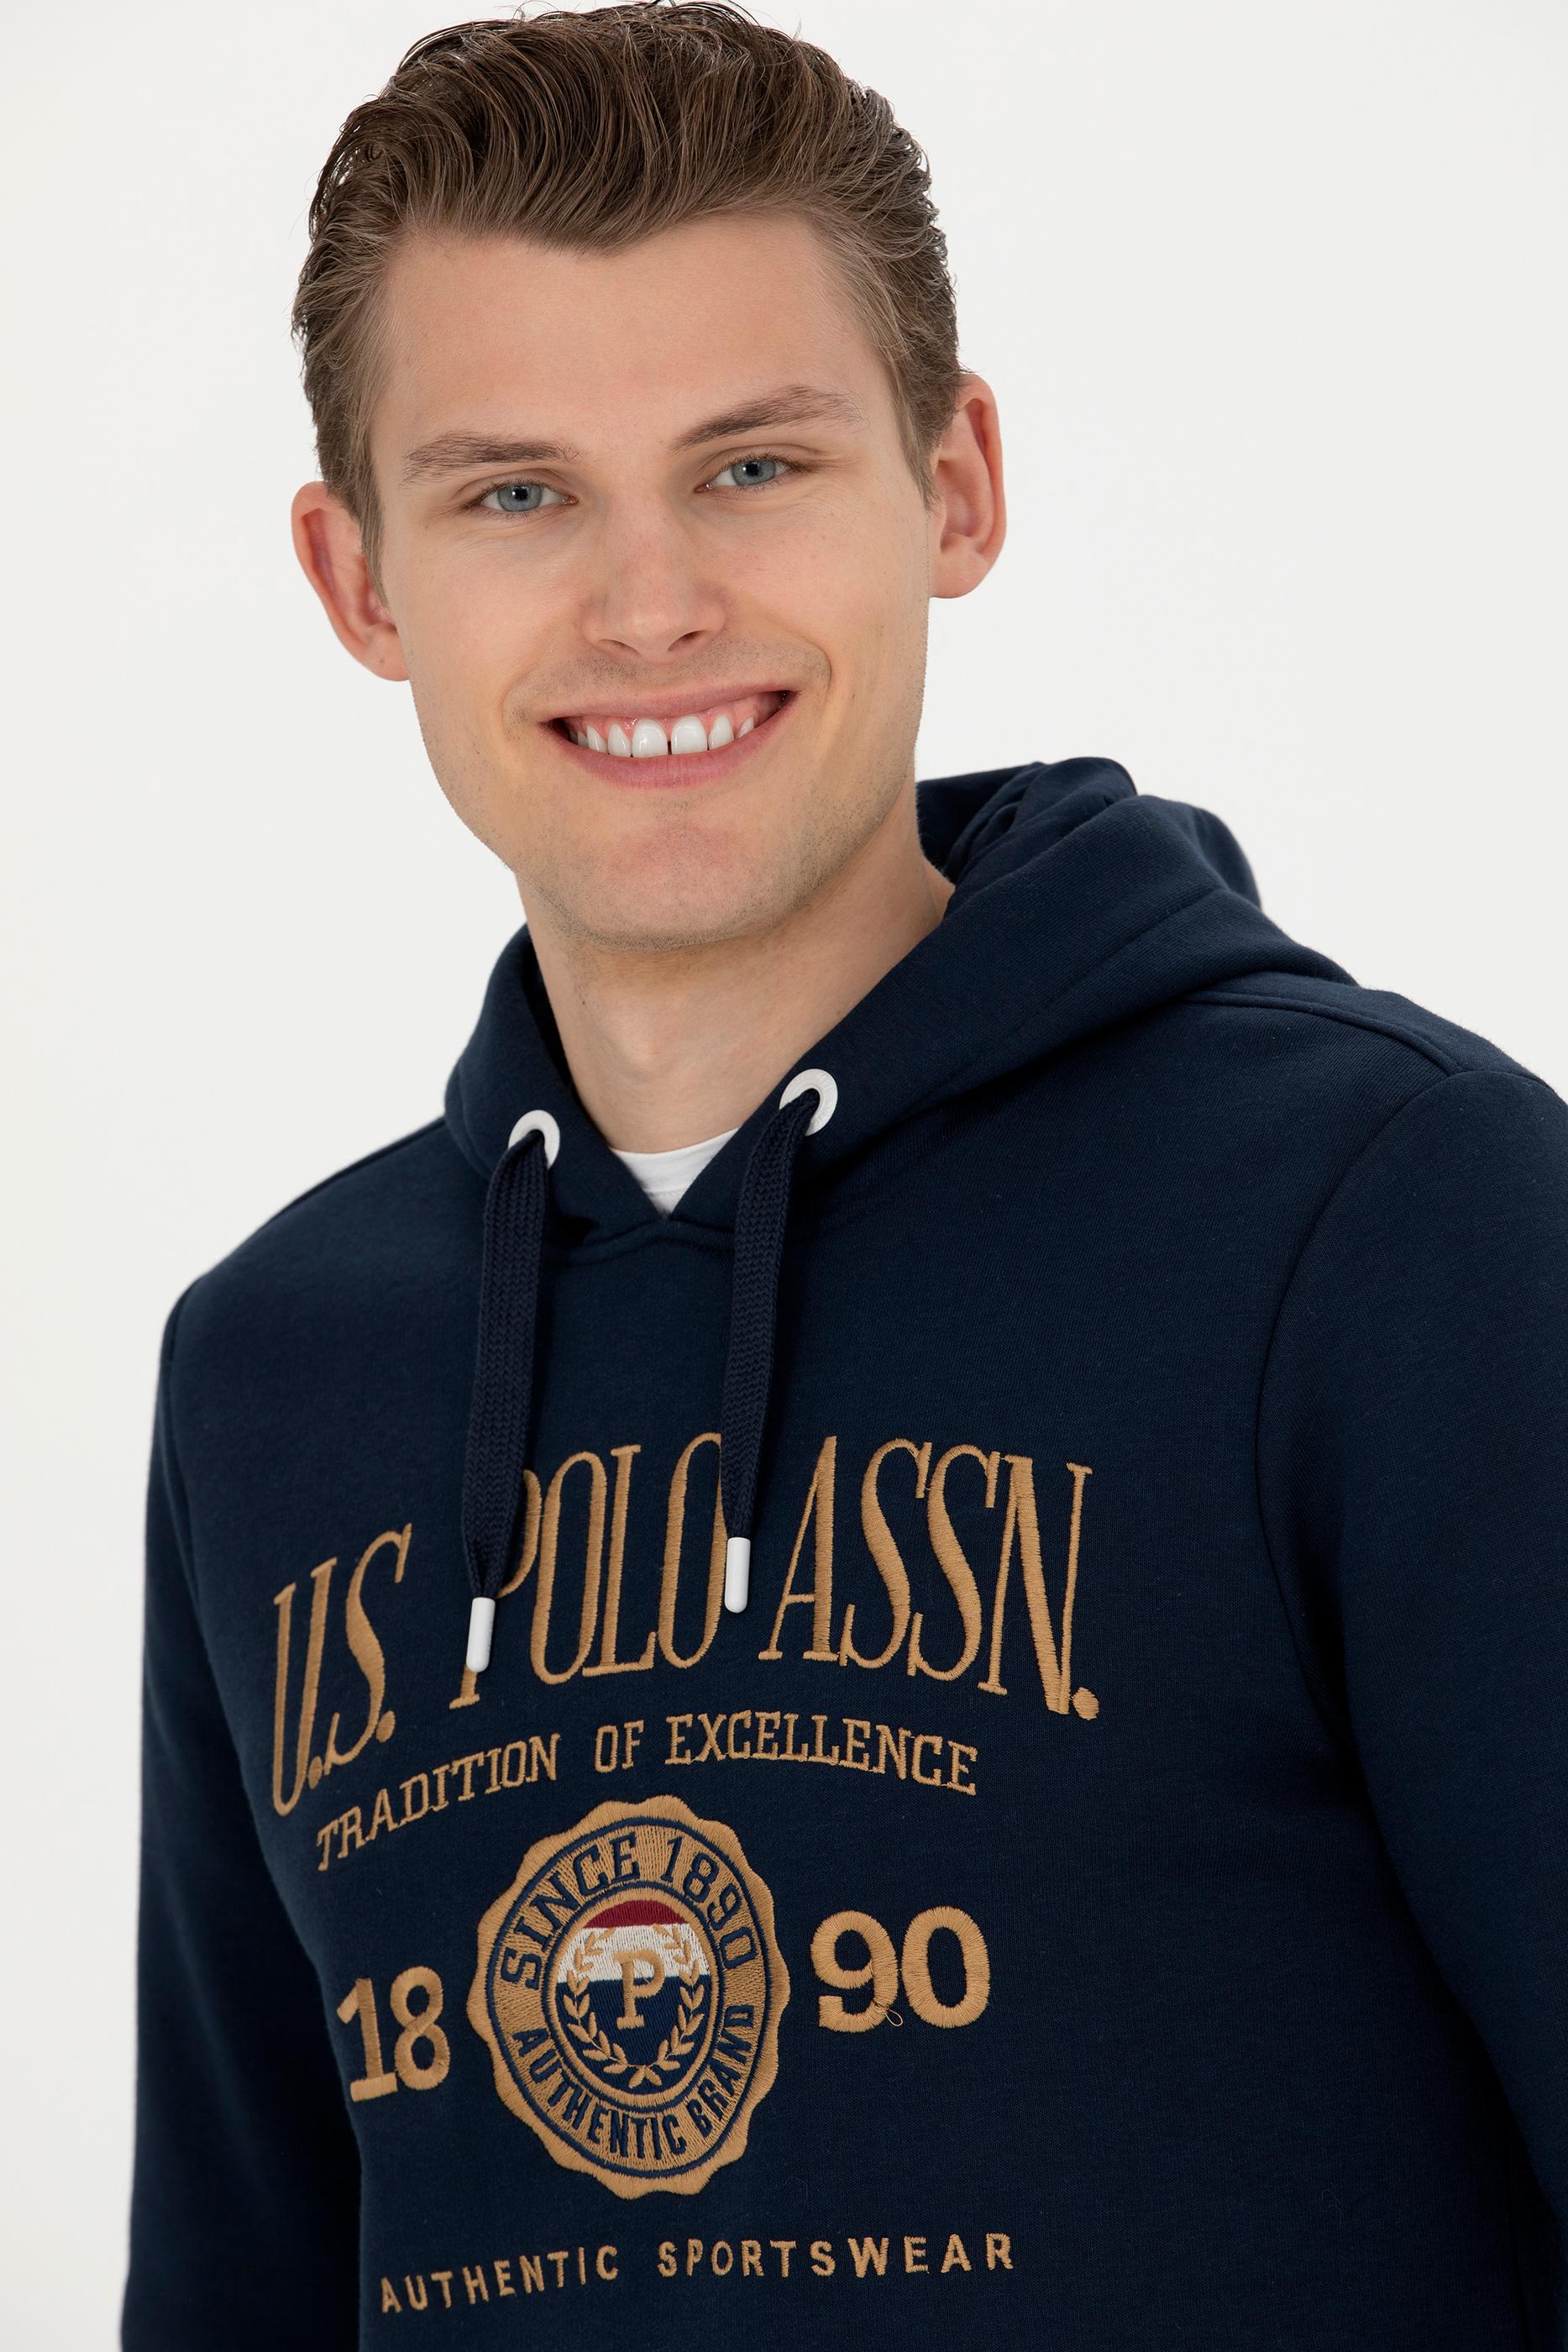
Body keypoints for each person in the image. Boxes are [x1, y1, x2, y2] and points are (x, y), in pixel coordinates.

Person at [123, 5, 1568, 2347]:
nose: (649, 603)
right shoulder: (274, 1373)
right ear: (359, 579)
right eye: (514, 495)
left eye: (753, 464)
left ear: (957, 482)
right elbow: (238, 2279)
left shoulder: (1390, 1222)